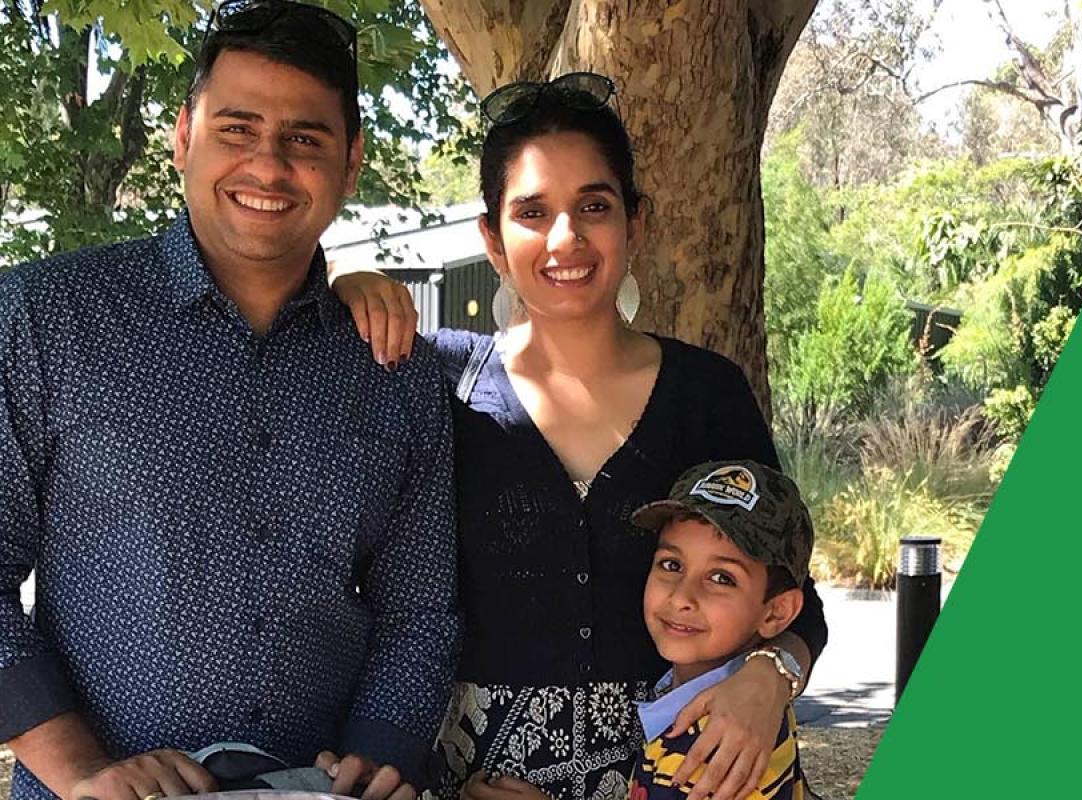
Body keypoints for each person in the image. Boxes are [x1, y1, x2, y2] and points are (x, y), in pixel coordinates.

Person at [0, 3, 458, 800]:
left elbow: (420, 607)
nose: (269, 166)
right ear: (182, 137)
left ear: (351, 166)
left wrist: (380, 754)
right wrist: (82, 771)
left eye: (305, 140)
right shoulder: (46, 319)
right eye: (236, 128)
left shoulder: (394, 366)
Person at [331, 73, 827, 800]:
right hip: (483, 778)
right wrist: (348, 282)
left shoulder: (705, 394)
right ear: (493, 239)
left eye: (594, 206)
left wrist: (769, 679)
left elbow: (792, 597)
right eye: (532, 211)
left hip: (685, 764)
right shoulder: (438, 381)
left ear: (637, 222)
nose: (566, 237)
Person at [624, 461, 814, 800]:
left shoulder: (705, 753)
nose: (682, 596)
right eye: (672, 565)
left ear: (776, 612)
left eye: (721, 578)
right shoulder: (757, 706)